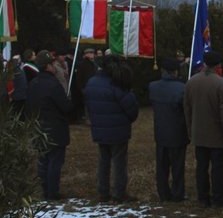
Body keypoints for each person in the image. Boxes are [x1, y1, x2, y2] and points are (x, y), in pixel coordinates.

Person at [184, 51, 223, 208]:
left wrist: (190, 130)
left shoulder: (191, 82)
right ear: (219, 64)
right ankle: (218, 198)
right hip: (217, 135)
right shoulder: (222, 84)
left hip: (199, 133)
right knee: (218, 169)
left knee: (201, 167)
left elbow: (187, 110)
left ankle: (203, 197)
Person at [84, 54, 139, 203]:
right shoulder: (118, 85)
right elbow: (131, 109)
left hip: (100, 129)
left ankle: (103, 192)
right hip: (118, 131)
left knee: (103, 161)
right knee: (119, 163)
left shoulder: (92, 82)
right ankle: (118, 193)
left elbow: (89, 106)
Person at [25, 50, 75, 200]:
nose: (55, 66)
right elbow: (65, 107)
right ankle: (53, 193)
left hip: (39, 128)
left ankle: (44, 190)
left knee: (43, 161)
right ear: (47, 66)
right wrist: (69, 102)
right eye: (52, 63)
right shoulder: (53, 84)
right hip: (55, 128)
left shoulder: (33, 83)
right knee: (54, 161)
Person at [148, 57, 189, 202]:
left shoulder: (153, 87)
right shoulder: (182, 88)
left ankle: (163, 193)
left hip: (160, 132)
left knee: (162, 166)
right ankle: (178, 193)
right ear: (175, 72)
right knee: (177, 166)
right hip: (178, 132)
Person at [73, 48, 98, 123]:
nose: (91, 54)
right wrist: (81, 88)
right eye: (90, 53)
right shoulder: (82, 64)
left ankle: (92, 118)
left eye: (92, 52)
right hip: (86, 87)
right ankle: (88, 119)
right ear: (86, 54)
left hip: (93, 86)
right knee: (87, 104)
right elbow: (79, 78)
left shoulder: (94, 64)